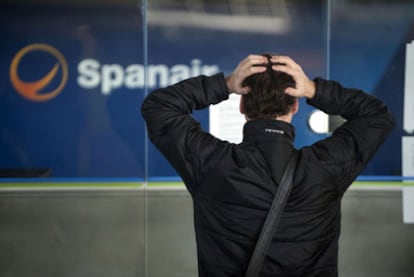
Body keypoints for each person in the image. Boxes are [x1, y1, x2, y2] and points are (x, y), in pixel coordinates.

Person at [141, 54, 395, 276]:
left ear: (241, 105)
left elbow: (159, 107)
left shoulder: (212, 164)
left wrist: (225, 84)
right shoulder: (324, 167)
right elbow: (377, 116)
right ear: (295, 105)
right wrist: (313, 89)